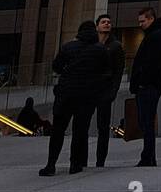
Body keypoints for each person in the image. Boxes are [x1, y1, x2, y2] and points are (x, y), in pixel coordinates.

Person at [40, 21, 109, 176]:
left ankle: (51, 164)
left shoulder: (68, 47)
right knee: (79, 131)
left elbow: (56, 66)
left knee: (58, 130)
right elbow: (105, 70)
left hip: (66, 93)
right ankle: (75, 164)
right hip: (86, 95)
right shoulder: (100, 50)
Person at [128, 8, 161, 168]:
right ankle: (149, 157)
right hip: (149, 86)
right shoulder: (155, 36)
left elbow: (152, 64)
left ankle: (147, 157)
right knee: (146, 122)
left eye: (142, 21)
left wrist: (144, 82)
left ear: (151, 19)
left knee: (146, 122)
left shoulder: (156, 37)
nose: (140, 25)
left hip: (148, 86)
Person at [94, 15, 125, 168]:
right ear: (97, 26)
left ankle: (100, 161)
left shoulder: (116, 46)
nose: (107, 24)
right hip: (90, 89)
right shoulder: (92, 44)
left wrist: (113, 91)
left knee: (103, 127)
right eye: (103, 22)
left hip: (105, 91)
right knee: (82, 125)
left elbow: (119, 71)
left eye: (109, 22)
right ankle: (80, 159)